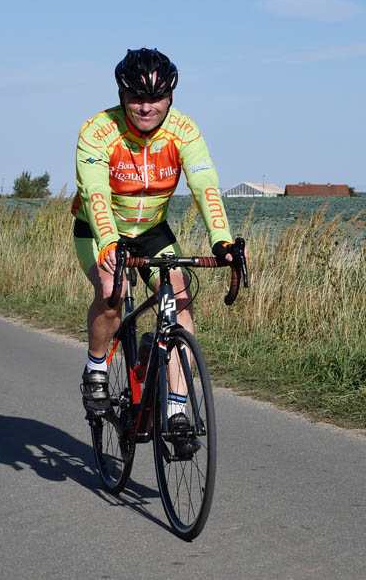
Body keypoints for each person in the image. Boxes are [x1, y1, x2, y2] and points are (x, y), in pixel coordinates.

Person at [72, 48, 234, 451]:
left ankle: (176, 412)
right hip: (99, 227)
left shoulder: (184, 131)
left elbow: (205, 186)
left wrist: (223, 240)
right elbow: (95, 193)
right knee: (111, 293)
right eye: (137, 98)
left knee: (180, 298)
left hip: (151, 230)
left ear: (170, 97)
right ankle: (96, 369)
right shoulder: (98, 130)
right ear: (122, 95)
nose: (146, 107)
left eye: (156, 98)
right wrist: (109, 243)